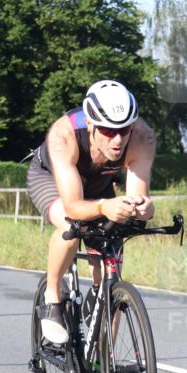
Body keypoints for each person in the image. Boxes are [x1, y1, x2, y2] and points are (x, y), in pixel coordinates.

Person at [27, 80, 156, 344]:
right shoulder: (64, 135)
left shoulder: (142, 138)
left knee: (113, 246)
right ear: (90, 123)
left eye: (124, 129)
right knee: (71, 225)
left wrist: (143, 208)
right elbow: (74, 205)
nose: (118, 139)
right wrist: (102, 207)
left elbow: (136, 196)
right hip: (50, 178)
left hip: (99, 184)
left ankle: (102, 364)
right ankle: (52, 297)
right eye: (108, 131)